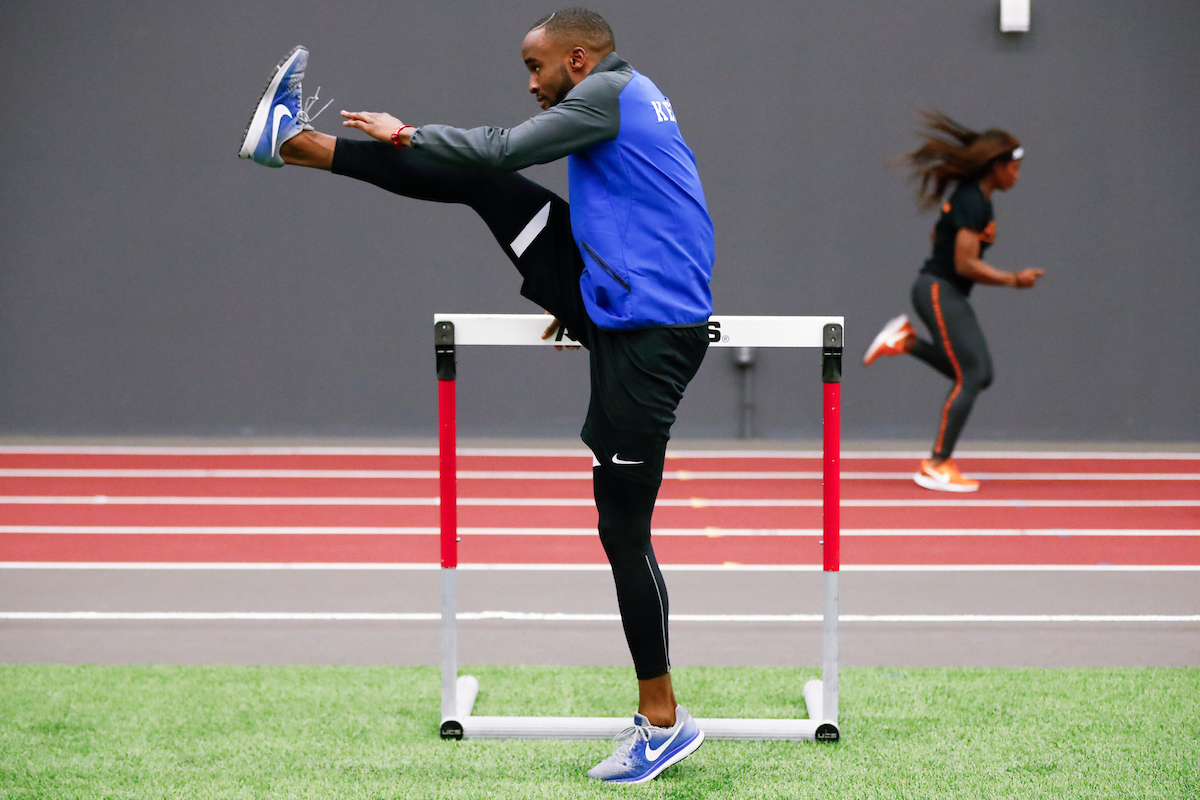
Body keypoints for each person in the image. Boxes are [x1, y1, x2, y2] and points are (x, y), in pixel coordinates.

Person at [238, 8, 710, 783]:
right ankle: (294, 146)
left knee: (624, 531)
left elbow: (502, 145)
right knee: (483, 185)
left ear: (579, 61)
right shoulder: (630, 92)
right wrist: (585, 287)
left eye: (536, 67)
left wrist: (404, 132)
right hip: (615, 297)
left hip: (649, 337)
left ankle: (662, 722)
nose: (531, 82)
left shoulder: (606, 95)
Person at [863, 111, 1043, 492]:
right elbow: (965, 263)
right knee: (971, 374)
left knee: (980, 374)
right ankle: (936, 464)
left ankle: (907, 341)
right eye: (1014, 168)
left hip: (945, 290)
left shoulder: (976, 201)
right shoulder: (973, 200)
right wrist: (1014, 279)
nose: (1017, 176)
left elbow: (940, 238)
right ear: (996, 166)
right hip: (938, 289)